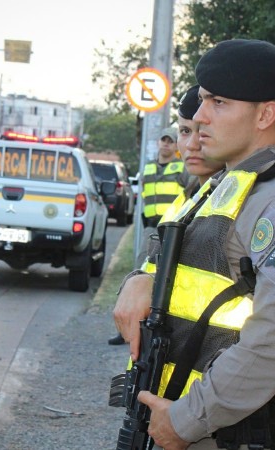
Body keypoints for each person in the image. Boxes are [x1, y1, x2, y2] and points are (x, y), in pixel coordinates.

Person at [113, 39, 275, 450]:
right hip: (201, 421)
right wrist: (139, 279)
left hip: (233, 432)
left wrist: (185, 420)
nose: (201, 116)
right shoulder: (226, 185)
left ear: (265, 114)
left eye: (218, 103)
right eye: (203, 100)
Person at [108, 85, 224, 345]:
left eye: (203, 131)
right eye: (185, 131)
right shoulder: (187, 200)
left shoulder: (228, 202)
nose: (192, 144)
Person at [137, 127, 190, 265]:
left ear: (176, 145)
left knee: (167, 267)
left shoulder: (183, 168)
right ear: (158, 142)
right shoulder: (147, 168)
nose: (166, 144)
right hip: (151, 227)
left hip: (173, 229)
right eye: (163, 140)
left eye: (170, 141)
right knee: (142, 264)